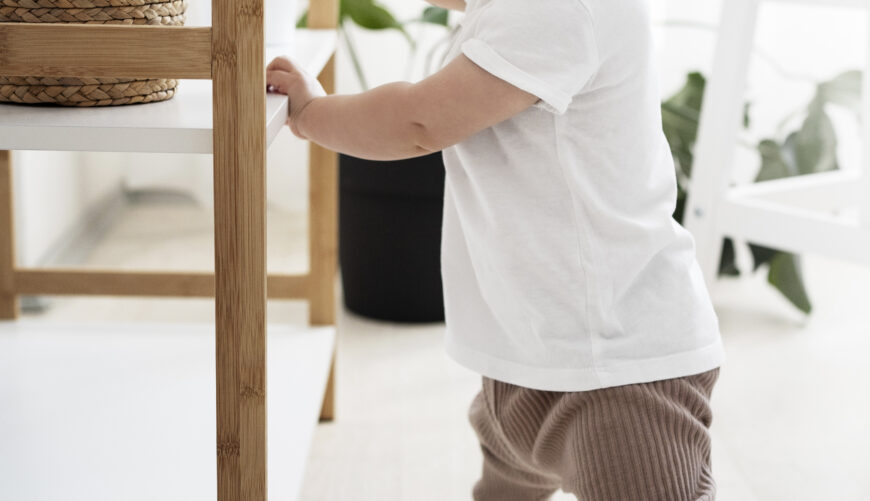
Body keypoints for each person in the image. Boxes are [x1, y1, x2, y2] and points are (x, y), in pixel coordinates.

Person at [266, 0, 726, 498]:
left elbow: (418, 123)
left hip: (620, 376)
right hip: (526, 362)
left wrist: (312, 114)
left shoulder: (560, 9)